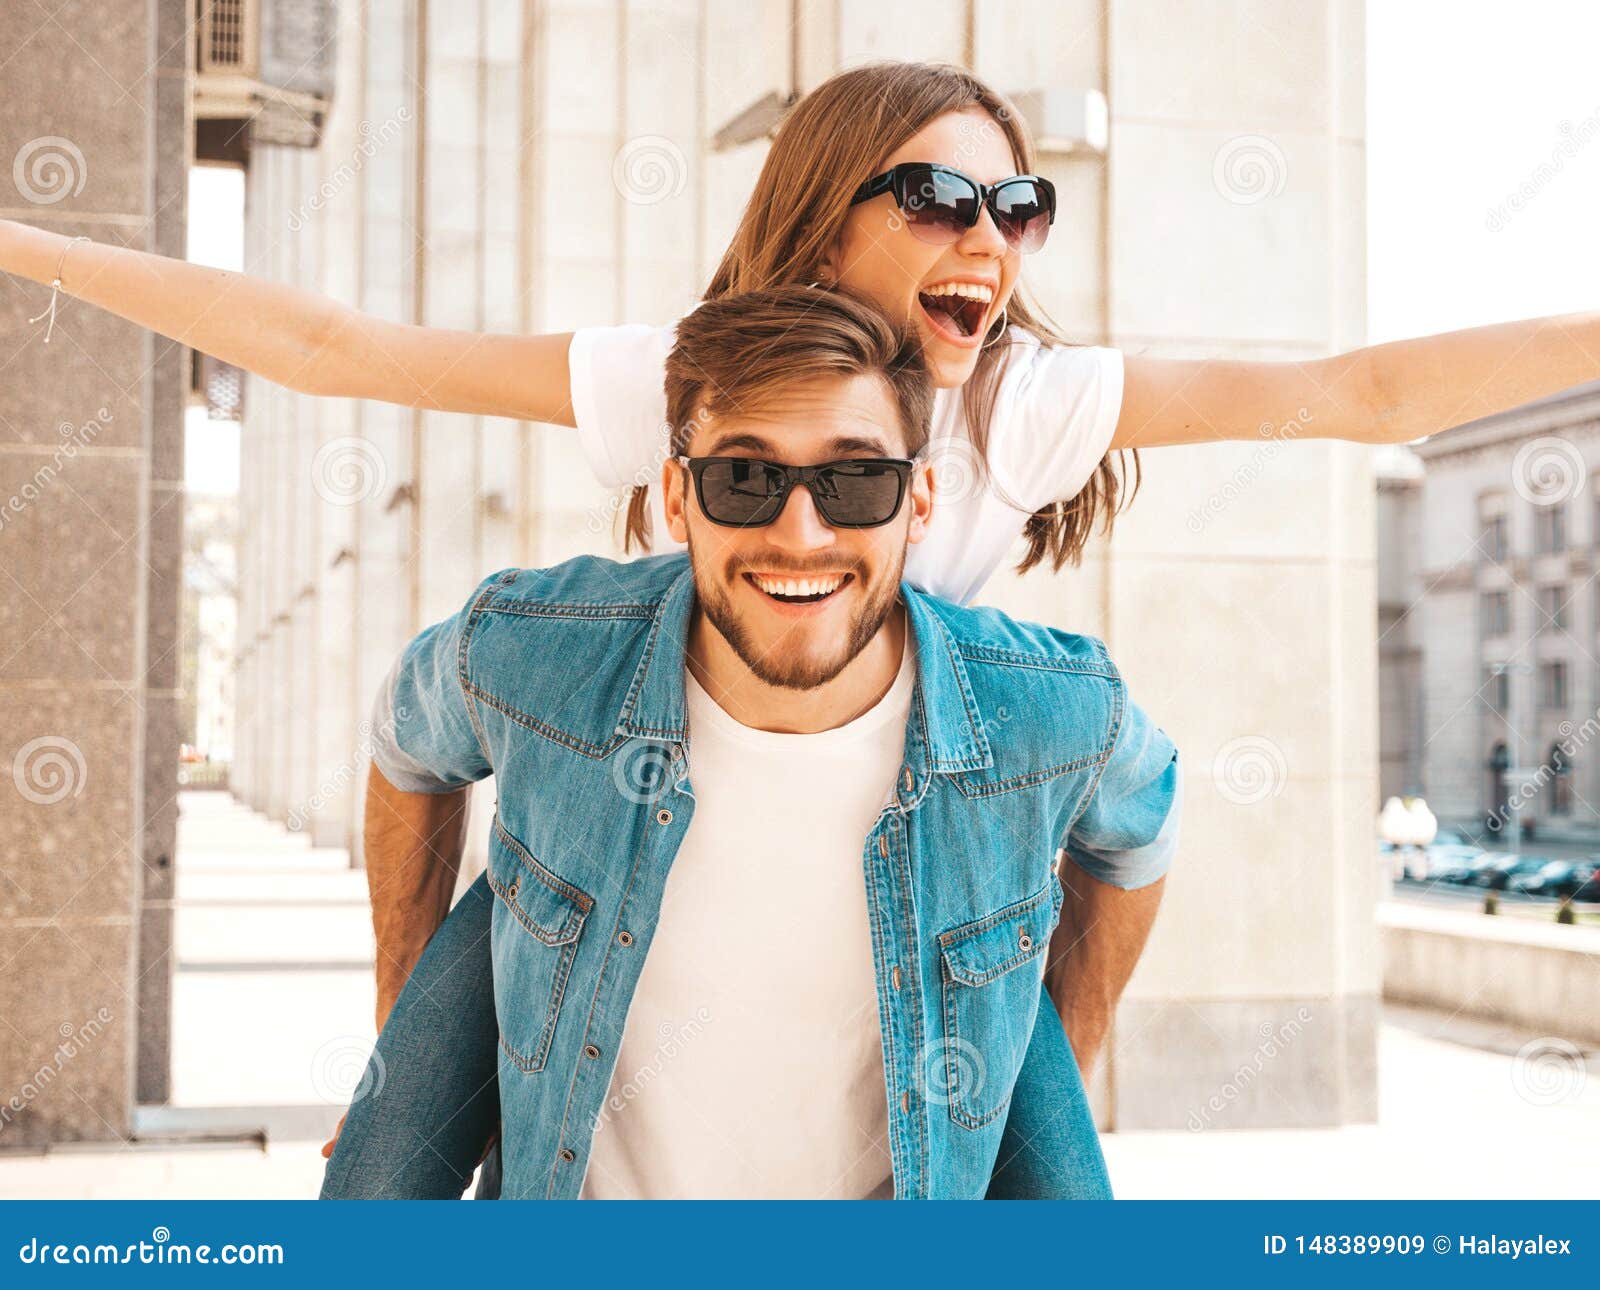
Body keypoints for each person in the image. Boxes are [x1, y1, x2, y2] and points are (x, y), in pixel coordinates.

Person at [323, 286, 1180, 1200]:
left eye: (855, 483)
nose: (799, 535)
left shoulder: (1046, 715)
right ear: (677, 498)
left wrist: (1059, 1067)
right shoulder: (537, 656)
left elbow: (1139, 829)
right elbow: (408, 750)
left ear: (919, 500)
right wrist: (406, 1024)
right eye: (745, 479)